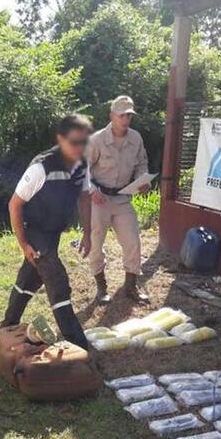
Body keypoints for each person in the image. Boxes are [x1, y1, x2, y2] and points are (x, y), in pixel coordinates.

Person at [0, 114, 94, 350]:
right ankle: (78, 344)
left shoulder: (82, 165)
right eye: (74, 142)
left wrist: (88, 233)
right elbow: (15, 204)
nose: (79, 148)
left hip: (53, 233)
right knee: (57, 281)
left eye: (84, 142)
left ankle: (8, 324)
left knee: (29, 279)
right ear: (61, 140)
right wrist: (24, 244)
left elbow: (84, 197)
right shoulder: (41, 167)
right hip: (36, 231)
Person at [86, 95, 150, 304]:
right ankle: (101, 287)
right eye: (121, 115)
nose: (125, 119)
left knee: (133, 241)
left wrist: (143, 180)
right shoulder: (96, 140)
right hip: (99, 199)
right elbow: (82, 169)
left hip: (122, 197)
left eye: (129, 115)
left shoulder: (136, 138)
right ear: (112, 115)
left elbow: (141, 163)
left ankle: (130, 287)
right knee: (96, 242)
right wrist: (91, 189)